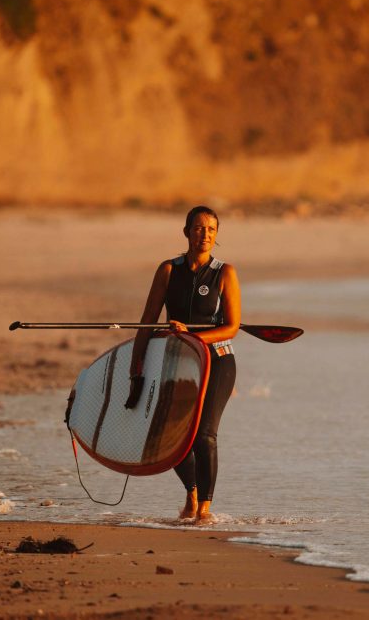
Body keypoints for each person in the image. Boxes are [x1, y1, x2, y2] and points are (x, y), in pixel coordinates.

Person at [129, 205, 241, 523]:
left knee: (204, 433)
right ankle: (191, 492)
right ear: (186, 231)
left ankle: (204, 510)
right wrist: (136, 369)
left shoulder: (224, 273)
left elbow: (231, 327)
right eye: (198, 228)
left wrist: (191, 334)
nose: (204, 234)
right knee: (169, 434)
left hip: (217, 359)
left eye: (211, 229)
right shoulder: (168, 270)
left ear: (216, 235)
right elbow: (147, 323)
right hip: (176, 359)